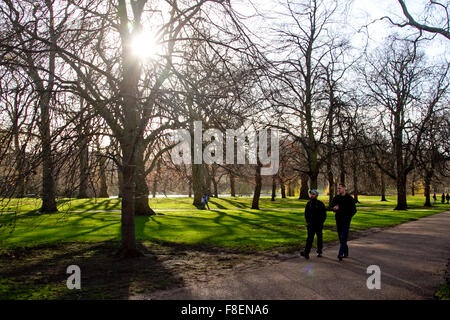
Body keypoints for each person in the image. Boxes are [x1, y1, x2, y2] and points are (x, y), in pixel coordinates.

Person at [331, 183, 357, 261]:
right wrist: (334, 208)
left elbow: (354, 210)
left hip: (346, 221)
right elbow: (332, 206)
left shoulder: (349, 198)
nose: (339, 189)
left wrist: (349, 217)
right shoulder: (336, 198)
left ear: (344, 188)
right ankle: (345, 251)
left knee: (343, 237)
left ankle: (340, 254)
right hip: (338, 220)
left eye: (340, 188)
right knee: (340, 237)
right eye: (338, 188)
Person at [300, 190, 327, 259]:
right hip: (311, 224)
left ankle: (319, 251)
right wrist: (308, 222)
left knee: (319, 238)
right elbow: (306, 213)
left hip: (319, 224)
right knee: (309, 238)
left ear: (316, 195)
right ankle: (306, 252)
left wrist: (321, 222)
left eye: (313, 194)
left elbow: (324, 214)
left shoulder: (320, 204)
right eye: (311, 194)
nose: (312, 195)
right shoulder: (308, 203)